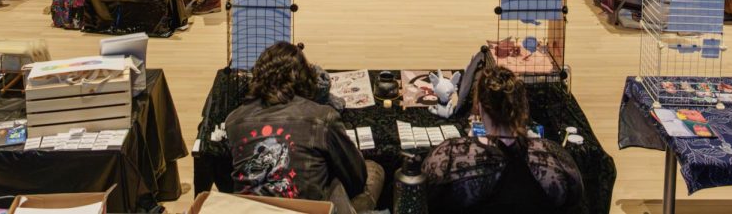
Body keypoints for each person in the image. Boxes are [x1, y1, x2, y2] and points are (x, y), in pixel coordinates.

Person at [226, 42, 384, 214]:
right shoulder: (322, 117)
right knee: (373, 169)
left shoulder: (233, 121)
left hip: (251, 209)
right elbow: (356, 178)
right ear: (304, 78)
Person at [422, 65, 584, 212]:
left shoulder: (447, 156)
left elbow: (422, 201)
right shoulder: (556, 158)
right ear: (523, 108)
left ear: (479, 107)